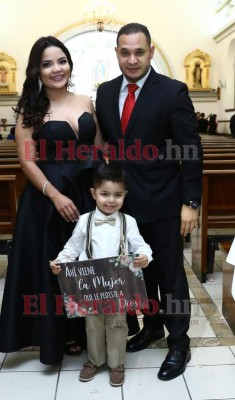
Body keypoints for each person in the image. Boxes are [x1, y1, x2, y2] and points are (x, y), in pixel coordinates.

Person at [96, 23, 203, 381]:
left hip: (164, 202)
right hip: (124, 206)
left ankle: (178, 342)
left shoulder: (173, 92)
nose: (132, 59)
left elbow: (191, 151)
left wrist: (191, 202)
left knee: (171, 275)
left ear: (151, 52)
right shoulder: (107, 92)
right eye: (124, 52)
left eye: (138, 52)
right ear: (116, 54)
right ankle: (152, 325)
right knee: (139, 274)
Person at [0, 36, 104, 365]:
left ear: (69, 63)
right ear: (36, 70)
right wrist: (55, 195)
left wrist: (102, 191)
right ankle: (59, 335)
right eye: (47, 64)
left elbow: (99, 147)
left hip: (85, 195)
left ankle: (88, 330)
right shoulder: (31, 110)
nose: (56, 69)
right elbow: (27, 161)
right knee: (53, 267)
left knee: (87, 264)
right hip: (47, 200)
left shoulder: (86, 101)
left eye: (61, 61)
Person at [50, 163, 152, 386]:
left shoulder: (129, 222)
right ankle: (95, 360)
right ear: (93, 194)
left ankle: (116, 363)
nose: (111, 200)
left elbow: (142, 246)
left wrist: (144, 257)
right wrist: (60, 261)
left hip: (119, 284)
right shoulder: (85, 220)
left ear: (125, 195)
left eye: (117, 195)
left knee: (117, 323)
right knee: (93, 324)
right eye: (105, 194)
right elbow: (73, 247)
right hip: (90, 284)